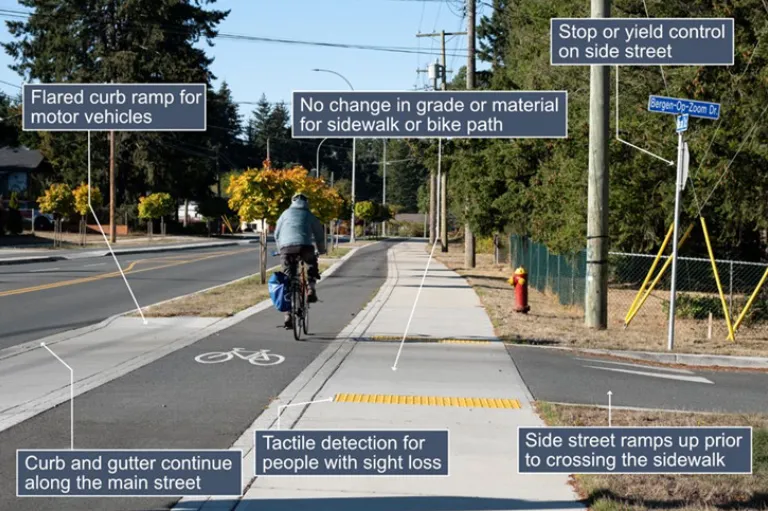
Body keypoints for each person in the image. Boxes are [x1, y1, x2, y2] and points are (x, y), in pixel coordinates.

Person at [274, 193, 326, 329]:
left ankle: (287, 315)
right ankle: (311, 288)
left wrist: (281, 249)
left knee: (287, 279)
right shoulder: (309, 215)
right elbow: (319, 234)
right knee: (311, 263)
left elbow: (276, 234)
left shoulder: (285, 214)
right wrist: (321, 250)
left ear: (292, 202)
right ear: (306, 203)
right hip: (305, 247)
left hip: (287, 249)